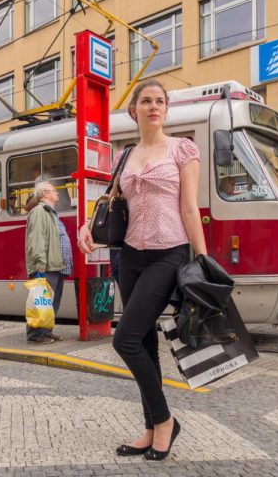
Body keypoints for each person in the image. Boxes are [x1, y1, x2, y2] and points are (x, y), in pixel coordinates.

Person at [78, 79, 206, 461]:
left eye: (160, 101)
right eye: (146, 101)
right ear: (133, 110)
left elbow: (189, 209)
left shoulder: (183, 149)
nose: (154, 106)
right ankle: (151, 427)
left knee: (125, 340)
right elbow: (110, 203)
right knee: (144, 343)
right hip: (130, 256)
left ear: (167, 109)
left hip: (169, 252)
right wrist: (87, 226)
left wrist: (202, 261)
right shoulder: (125, 155)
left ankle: (165, 421)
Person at [25, 181, 72, 344]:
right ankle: (35, 334)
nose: (57, 193)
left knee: (50, 302)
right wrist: (39, 266)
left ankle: (46, 331)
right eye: (54, 191)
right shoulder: (39, 212)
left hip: (56, 265)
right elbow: (37, 240)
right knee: (40, 301)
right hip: (47, 266)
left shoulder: (51, 212)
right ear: (45, 193)